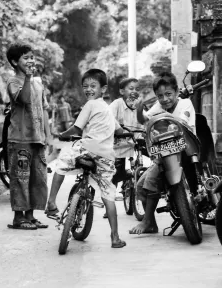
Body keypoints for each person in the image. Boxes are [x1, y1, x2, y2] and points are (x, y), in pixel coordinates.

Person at [45, 69, 126, 248]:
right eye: (85, 86)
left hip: (88, 148)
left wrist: (60, 135)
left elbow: (76, 130)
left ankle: (51, 202)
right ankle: (115, 238)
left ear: (102, 89)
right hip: (106, 157)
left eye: (92, 86)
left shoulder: (90, 105)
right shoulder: (107, 109)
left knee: (61, 164)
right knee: (108, 196)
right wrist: (129, 133)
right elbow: (119, 130)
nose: (88, 89)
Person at [129, 71, 196, 234]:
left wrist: (163, 115)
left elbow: (182, 121)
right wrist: (139, 110)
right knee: (139, 187)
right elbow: (145, 120)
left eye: (168, 94)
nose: (165, 99)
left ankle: (145, 222)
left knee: (150, 181)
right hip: (165, 153)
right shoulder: (158, 107)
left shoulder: (185, 103)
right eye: (160, 96)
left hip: (186, 150)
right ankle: (151, 224)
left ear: (176, 91)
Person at [5, 43, 51, 230]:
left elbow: (45, 109)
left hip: (37, 138)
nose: (31, 60)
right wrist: (28, 78)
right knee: (20, 178)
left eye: (32, 57)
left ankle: (30, 216)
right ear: (15, 62)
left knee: (37, 178)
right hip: (20, 139)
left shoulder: (38, 83)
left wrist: (48, 135)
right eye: (26, 58)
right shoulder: (13, 81)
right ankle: (18, 217)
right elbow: (23, 99)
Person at [103, 77, 143, 218]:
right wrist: (119, 129)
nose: (134, 92)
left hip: (134, 143)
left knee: (143, 164)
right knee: (115, 174)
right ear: (122, 91)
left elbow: (144, 120)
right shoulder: (117, 104)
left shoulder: (139, 104)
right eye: (131, 88)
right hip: (118, 144)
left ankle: (136, 180)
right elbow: (108, 117)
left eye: (137, 89)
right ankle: (109, 205)